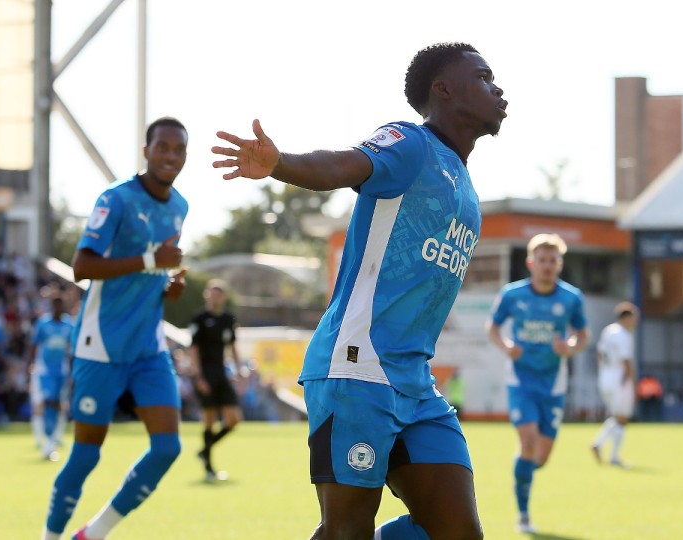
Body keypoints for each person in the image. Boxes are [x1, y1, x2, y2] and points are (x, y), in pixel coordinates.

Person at [212, 42, 505, 540]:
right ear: (443, 89)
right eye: (483, 77)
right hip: (357, 367)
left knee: (458, 532)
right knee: (347, 531)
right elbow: (340, 166)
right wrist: (280, 163)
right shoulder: (411, 143)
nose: (497, 89)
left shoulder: (462, 178)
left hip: (415, 381)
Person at [41, 117, 190, 540]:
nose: (171, 156)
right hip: (100, 344)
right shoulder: (116, 199)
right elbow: (82, 266)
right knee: (86, 455)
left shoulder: (180, 206)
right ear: (146, 151)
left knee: (167, 448)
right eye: (163, 147)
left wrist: (167, 285)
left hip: (148, 347)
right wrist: (152, 262)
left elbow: (153, 271)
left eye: (179, 149)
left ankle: (93, 534)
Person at [486, 233, 589, 534]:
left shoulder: (571, 298)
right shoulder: (512, 294)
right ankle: (523, 515)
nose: (547, 266)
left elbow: (583, 335)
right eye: (542, 260)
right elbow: (492, 327)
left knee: (540, 457)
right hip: (521, 380)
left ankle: (523, 472)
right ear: (531, 263)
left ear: (560, 264)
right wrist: (506, 346)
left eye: (553, 260)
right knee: (528, 443)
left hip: (554, 383)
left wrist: (570, 346)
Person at [188, 278, 242, 481]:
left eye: (218, 293)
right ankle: (209, 468)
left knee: (233, 419)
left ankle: (204, 450)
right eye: (211, 292)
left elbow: (232, 347)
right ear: (206, 295)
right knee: (209, 420)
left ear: (224, 297)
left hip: (221, 373)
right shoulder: (199, 318)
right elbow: (193, 349)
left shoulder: (228, 319)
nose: (214, 296)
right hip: (205, 374)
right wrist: (198, 376)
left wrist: (239, 370)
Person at [590, 301, 639, 468]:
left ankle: (607, 451)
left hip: (605, 377)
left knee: (617, 417)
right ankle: (606, 450)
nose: (635, 322)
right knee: (622, 418)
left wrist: (603, 370)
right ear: (626, 318)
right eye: (634, 318)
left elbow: (598, 352)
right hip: (619, 378)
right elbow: (626, 361)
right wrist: (632, 382)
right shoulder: (624, 335)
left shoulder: (608, 331)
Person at [28, 294, 75, 461]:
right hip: (44, 371)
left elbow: (72, 349)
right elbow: (33, 345)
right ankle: (46, 442)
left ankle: (54, 438)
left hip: (61, 372)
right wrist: (30, 366)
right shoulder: (43, 323)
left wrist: (72, 370)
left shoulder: (68, 325)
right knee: (45, 403)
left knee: (60, 404)